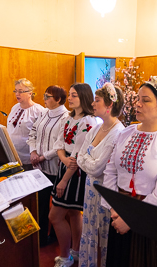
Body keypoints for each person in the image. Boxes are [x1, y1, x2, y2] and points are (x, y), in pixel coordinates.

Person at [102, 76, 157, 267]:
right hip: (119, 213)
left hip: (151, 221)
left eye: (145, 100)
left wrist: (131, 219)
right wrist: (114, 208)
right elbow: (110, 171)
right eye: (137, 99)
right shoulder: (126, 132)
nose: (138, 104)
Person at [49, 83, 97, 267]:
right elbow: (59, 144)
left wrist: (63, 181)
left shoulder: (88, 122)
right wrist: (63, 158)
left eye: (74, 95)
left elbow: (78, 154)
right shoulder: (67, 118)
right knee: (73, 212)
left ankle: (65, 257)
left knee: (55, 216)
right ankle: (75, 252)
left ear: (83, 97)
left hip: (75, 173)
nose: (69, 98)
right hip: (66, 164)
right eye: (69, 95)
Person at [77, 83, 125, 267]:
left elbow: (98, 168)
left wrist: (87, 162)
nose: (93, 103)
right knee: (89, 231)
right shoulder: (96, 128)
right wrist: (88, 162)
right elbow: (80, 156)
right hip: (90, 189)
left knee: (103, 235)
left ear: (109, 105)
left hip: (105, 191)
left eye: (97, 100)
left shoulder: (118, 132)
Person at [27, 85, 68, 247]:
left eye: (48, 96)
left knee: (58, 208)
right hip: (40, 167)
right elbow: (33, 134)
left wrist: (44, 156)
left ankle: (58, 238)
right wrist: (33, 152)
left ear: (58, 100)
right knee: (41, 205)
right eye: (44, 95)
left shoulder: (66, 117)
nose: (43, 99)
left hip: (55, 167)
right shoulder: (44, 113)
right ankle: (41, 238)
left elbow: (62, 143)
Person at [7, 78, 45, 170]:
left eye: (20, 91)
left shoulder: (39, 110)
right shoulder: (15, 107)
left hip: (28, 158)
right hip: (12, 155)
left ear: (30, 93)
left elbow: (41, 136)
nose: (17, 94)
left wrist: (35, 152)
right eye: (15, 91)